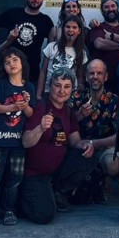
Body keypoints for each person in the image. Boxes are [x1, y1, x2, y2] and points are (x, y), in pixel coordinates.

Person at [20, 71, 96, 224]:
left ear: (71, 89)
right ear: (50, 86)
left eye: (67, 86)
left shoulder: (68, 111)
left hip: (55, 174)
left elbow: (75, 141)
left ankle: (57, 192)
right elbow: (25, 141)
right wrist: (40, 128)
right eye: (57, 85)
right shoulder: (40, 106)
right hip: (34, 174)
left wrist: (87, 145)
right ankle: (21, 199)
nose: (62, 91)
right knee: (44, 216)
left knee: (88, 156)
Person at [0, 48, 35, 226]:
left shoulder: (29, 87)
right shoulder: (1, 85)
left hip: (18, 142)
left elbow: (30, 113)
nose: (11, 64)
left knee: (15, 177)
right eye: (7, 62)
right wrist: (13, 107)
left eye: (14, 60)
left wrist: (25, 105)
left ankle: (9, 210)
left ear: (22, 63)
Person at [68, 58, 119, 203]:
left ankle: (105, 178)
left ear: (105, 76)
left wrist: (93, 143)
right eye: (91, 73)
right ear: (86, 77)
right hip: (79, 147)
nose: (95, 77)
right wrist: (78, 116)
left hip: (103, 146)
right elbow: (63, 126)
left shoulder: (114, 101)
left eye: (99, 73)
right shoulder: (77, 97)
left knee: (113, 165)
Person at [0, 0, 54, 86]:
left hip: (32, 74)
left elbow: (51, 49)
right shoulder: (13, 13)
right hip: (8, 72)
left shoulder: (46, 21)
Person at [39, 15, 87, 95]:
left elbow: (80, 77)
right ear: (63, 29)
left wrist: (78, 96)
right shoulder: (51, 47)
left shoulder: (81, 52)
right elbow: (43, 72)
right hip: (50, 92)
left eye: (74, 27)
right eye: (67, 27)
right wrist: (38, 95)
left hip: (69, 94)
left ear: (79, 31)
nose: (70, 30)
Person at [87, 0, 119, 72]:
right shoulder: (98, 27)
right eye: (106, 7)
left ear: (117, 8)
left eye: (113, 6)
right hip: (103, 76)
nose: (110, 9)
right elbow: (99, 44)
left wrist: (112, 36)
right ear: (102, 11)